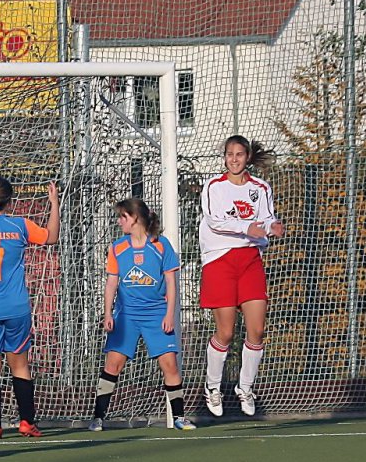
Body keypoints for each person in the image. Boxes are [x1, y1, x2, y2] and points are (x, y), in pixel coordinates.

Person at [88, 198, 195, 432]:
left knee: (170, 364)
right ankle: (98, 418)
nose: (119, 221)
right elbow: (111, 283)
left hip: (156, 313)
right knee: (113, 364)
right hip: (127, 315)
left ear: (135, 218)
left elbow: (171, 283)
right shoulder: (117, 247)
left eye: (123, 217)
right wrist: (108, 313)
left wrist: (169, 314)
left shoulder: (161, 245)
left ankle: (179, 417)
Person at [200, 135, 285, 417]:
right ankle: (213, 387)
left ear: (247, 156)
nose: (234, 159)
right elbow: (215, 221)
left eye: (239, 154)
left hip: (250, 260)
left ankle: (245, 388)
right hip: (220, 260)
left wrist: (274, 226)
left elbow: (267, 218)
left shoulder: (260, 187)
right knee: (225, 332)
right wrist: (246, 228)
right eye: (229, 154)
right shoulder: (214, 186)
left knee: (257, 330)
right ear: (224, 157)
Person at [0, 178, 59, 439]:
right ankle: (26, 421)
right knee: (20, 365)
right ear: (9, 201)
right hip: (16, 307)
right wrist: (54, 204)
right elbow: (51, 237)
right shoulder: (19, 225)